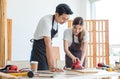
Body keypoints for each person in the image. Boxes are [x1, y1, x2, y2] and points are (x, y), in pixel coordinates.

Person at [30, 3, 73, 72]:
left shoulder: (56, 23)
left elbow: (50, 44)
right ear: (56, 14)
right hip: (38, 52)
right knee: (43, 73)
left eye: (67, 19)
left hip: (46, 50)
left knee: (50, 73)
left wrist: (53, 65)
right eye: (63, 19)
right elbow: (48, 44)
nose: (65, 21)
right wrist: (52, 66)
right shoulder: (46, 21)